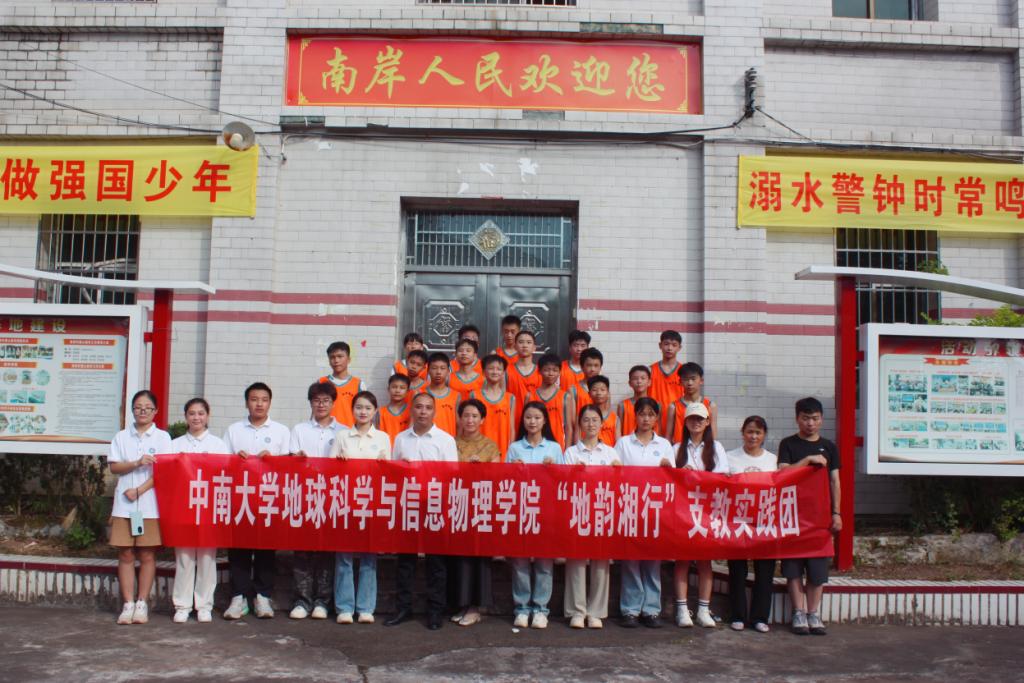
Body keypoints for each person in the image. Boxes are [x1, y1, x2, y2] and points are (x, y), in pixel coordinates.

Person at [387, 393, 459, 630]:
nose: (423, 412)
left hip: (434, 504)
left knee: (435, 562)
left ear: (435, 411)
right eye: (418, 407)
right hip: (408, 504)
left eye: (428, 407)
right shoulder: (401, 439)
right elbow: (394, 471)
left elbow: (452, 474)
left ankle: (435, 612)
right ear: (412, 410)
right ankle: (402, 608)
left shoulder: (445, 440)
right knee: (405, 561)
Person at [223, 382, 291, 620]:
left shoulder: (281, 431)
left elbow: (289, 466)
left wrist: (274, 460)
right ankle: (239, 597)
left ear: (270, 403)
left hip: (269, 499)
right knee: (239, 549)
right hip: (240, 498)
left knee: (265, 549)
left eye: (264, 400)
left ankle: (262, 595)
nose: (259, 404)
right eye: (254, 399)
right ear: (246, 403)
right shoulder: (234, 430)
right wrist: (235, 459)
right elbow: (221, 463)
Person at [778, 396, 841, 636]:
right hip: (792, 516)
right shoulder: (788, 444)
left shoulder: (830, 447)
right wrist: (806, 461)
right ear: (797, 419)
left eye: (814, 418)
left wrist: (837, 513)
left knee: (817, 569)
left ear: (821, 419)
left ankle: (813, 613)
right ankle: (798, 612)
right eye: (806, 418)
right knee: (793, 568)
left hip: (820, 518)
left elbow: (835, 481)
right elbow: (782, 474)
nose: (810, 423)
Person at [108, 389, 172, 625]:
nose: (142, 411)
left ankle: (142, 602)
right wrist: (136, 462)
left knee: (146, 553)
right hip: (124, 505)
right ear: (132, 411)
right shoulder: (121, 437)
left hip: (149, 504)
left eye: (147, 407)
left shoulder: (163, 438)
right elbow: (114, 467)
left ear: (155, 411)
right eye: (138, 407)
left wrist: (140, 490)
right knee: (125, 553)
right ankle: (127, 603)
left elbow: (164, 471)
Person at [288, 382, 346, 621]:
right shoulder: (299, 430)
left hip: (331, 497)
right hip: (304, 496)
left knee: (326, 551)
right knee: (302, 549)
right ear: (310, 403)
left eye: (326, 401)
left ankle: (323, 601)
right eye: (316, 401)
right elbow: (290, 461)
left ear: (333, 403)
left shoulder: (343, 431)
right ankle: (302, 600)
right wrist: (296, 459)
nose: (321, 405)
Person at [332, 391, 391, 625]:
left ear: (375, 411)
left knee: (369, 556)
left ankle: (366, 607)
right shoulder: (342, 436)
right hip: (346, 502)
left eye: (368, 408)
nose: (363, 412)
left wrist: (383, 466)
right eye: (358, 407)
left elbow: (389, 474)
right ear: (352, 410)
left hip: (372, 503)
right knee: (344, 557)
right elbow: (329, 470)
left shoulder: (383, 437)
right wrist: (339, 463)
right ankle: (344, 607)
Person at [169, 397, 230, 624]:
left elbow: (224, 475)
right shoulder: (174, 445)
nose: (196, 418)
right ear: (186, 417)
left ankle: (204, 605)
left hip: (208, 507)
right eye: (192, 413)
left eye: (201, 413)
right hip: (183, 508)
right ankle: (182, 605)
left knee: (206, 558)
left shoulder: (218, 444)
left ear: (208, 415)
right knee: (184, 558)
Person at [614, 397, 673, 629]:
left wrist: (668, 469)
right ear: (635, 416)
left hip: (655, 511)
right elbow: (614, 474)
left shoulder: (664, 445)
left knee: (652, 561)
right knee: (630, 561)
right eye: (642, 414)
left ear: (657, 418)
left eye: (650, 414)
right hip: (630, 508)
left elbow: (673, 479)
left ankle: (651, 610)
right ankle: (630, 610)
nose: (646, 419)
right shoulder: (623, 443)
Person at [562, 405, 621, 629]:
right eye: (586, 420)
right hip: (578, 510)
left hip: (603, 511)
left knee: (601, 563)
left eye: (595, 420)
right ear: (580, 424)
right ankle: (576, 611)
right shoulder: (571, 453)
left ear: (602, 423)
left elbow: (620, 485)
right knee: (576, 561)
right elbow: (563, 485)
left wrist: (618, 472)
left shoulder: (611, 453)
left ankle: (596, 611)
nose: (591, 424)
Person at [506, 401, 563, 629]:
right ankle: (521, 608)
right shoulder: (514, 448)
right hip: (520, 510)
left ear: (544, 421)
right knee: (519, 562)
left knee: (544, 563)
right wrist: (513, 470)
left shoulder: (554, 448)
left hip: (545, 511)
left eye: (537, 418)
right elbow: (505, 481)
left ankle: (540, 609)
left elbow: (562, 482)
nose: (532, 422)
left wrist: (552, 469)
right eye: (528, 417)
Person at [673, 401, 729, 629]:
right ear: (685, 422)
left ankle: (704, 610)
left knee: (705, 561)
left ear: (707, 422)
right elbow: (669, 479)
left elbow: (723, 475)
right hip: (683, 513)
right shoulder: (677, 448)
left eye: (700, 419)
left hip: (707, 511)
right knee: (683, 561)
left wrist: (699, 476)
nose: (696, 423)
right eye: (692, 419)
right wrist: (680, 473)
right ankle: (682, 609)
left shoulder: (716, 448)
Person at [452, 399, 501, 626]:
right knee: (459, 557)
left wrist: (481, 468)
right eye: (466, 415)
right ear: (459, 418)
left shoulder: (490, 446)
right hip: (457, 505)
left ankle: (475, 606)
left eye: (474, 416)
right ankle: (461, 604)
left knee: (479, 557)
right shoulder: (451, 444)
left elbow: (497, 476)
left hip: (481, 506)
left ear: (482, 420)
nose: (470, 420)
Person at [726, 415, 777, 633]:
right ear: (742, 433)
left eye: (758, 432)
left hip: (764, 522)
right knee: (737, 570)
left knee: (764, 571)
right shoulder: (730, 457)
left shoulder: (772, 460)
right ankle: (737, 615)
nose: (753, 436)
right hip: (737, 521)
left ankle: (760, 617)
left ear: (764, 435)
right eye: (749, 431)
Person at [470, 354, 516, 460]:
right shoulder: (475, 395)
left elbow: (511, 427)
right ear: (483, 372)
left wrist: (512, 449)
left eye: (499, 369)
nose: (495, 372)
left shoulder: (510, 398)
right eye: (491, 368)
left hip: (502, 448)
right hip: (479, 449)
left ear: (503, 373)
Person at [526, 353, 575, 449]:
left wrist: (567, 450)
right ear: (539, 371)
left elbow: (568, 427)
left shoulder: (565, 397)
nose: (551, 373)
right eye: (546, 370)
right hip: (534, 446)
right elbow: (525, 424)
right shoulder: (530, 396)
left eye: (555, 370)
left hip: (557, 446)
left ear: (560, 372)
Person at [667, 362, 718, 442]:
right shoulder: (673, 407)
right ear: (680, 381)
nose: (690, 383)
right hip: (680, 448)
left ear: (701, 380)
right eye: (685, 379)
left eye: (693, 379)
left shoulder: (710, 406)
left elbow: (713, 436)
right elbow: (668, 437)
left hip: (703, 448)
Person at [319, 341, 366, 427]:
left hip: (350, 432)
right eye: (332, 357)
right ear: (329, 361)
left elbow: (364, 413)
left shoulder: (359, 384)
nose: (336, 360)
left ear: (348, 359)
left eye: (340, 356)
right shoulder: (321, 382)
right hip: (325, 431)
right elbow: (315, 411)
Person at [649, 330, 683, 433]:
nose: (669, 348)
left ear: (679, 347)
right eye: (666, 344)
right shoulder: (650, 370)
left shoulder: (684, 372)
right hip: (653, 421)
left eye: (674, 345)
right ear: (660, 345)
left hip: (677, 420)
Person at [420, 351, 459, 436]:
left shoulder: (456, 396)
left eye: (442, 368)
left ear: (448, 371)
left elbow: (458, 425)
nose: (438, 372)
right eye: (434, 368)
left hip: (448, 441)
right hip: (425, 440)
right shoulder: (419, 394)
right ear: (428, 370)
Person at [506, 330, 541, 417]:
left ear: (534, 347)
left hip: (535, 420)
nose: (525, 345)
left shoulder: (541, 371)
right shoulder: (506, 371)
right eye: (521, 342)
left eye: (529, 342)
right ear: (515, 346)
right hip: (512, 419)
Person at [585, 375, 620, 447]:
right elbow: (578, 438)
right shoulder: (584, 416)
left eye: (602, 390)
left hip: (609, 453)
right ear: (589, 394)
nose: (599, 393)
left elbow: (618, 443)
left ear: (608, 393)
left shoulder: (615, 418)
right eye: (594, 390)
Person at [618, 365, 653, 437]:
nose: (639, 381)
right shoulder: (623, 405)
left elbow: (658, 430)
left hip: (649, 442)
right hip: (628, 443)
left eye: (643, 378)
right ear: (630, 383)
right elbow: (619, 431)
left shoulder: (656, 405)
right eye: (635, 378)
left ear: (649, 382)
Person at [378, 373, 412, 446]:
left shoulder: (411, 412)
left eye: (402, 388)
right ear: (388, 389)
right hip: (386, 450)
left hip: (405, 450)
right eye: (394, 387)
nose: (397, 391)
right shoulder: (380, 412)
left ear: (408, 391)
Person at [560, 329, 591, 395]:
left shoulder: (592, 369)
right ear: (569, 347)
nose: (579, 349)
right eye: (576, 345)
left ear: (588, 348)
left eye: (583, 346)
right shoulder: (560, 367)